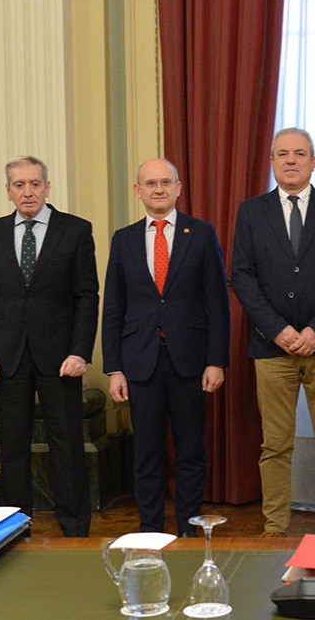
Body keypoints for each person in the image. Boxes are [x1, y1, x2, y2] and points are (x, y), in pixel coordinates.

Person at [230, 128, 315, 537]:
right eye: (282, 154)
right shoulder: (251, 211)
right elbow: (242, 276)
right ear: (272, 161)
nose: (290, 160)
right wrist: (279, 330)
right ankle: (274, 527)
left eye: (299, 153)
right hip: (272, 348)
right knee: (275, 445)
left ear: (314, 162)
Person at [0, 156, 99, 536]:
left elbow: (86, 296)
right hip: (7, 357)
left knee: (68, 444)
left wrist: (80, 350)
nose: (28, 192)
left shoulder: (75, 230)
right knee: (12, 446)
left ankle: (75, 526)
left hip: (61, 357)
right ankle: (13, 527)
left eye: (35, 184)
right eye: (19, 185)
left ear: (47, 187)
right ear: (8, 191)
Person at [102, 159, 230, 536]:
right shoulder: (123, 238)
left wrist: (216, 360)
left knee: (191, 450)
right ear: (138, 191)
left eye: (165, 182)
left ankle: (190, 529)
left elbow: (218, 303)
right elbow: (113, 307)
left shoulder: (202, 233)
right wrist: (114, 368)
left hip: (190, 360)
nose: (158, 189)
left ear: (178, 187)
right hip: (139, 361)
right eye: (150, 183)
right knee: (146, 453)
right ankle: (150, 530)